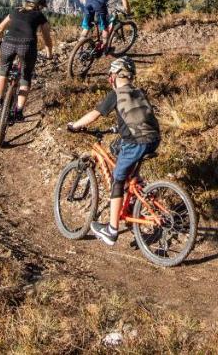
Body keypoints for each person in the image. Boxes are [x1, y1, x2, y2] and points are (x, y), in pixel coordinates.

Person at [65, 57, 161, 245]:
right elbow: (137, 115)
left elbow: (95, 114)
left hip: (136, 142)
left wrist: (75, 125)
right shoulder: (138, 92)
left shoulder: (116, 94)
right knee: (121, 158)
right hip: (153, 139)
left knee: (118, 178)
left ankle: (111, 230)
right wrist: (120, 128)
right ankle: (135, 198)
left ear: (115, 75)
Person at [0, 0, 55, 121]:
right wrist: (49, 53)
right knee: (25, 77)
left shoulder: (14, 12)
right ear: (39, 6)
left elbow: (0, 29)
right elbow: (47, 38)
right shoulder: (40, 16)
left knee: (3, 70)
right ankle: (19, 111)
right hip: (26, 46)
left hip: (8, 43)